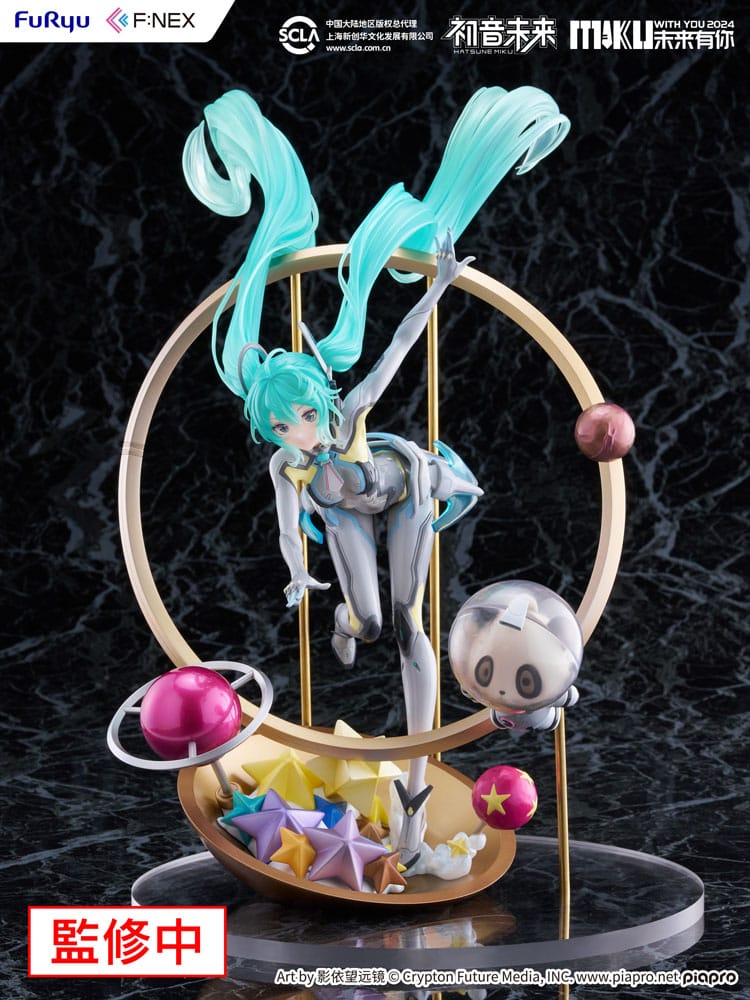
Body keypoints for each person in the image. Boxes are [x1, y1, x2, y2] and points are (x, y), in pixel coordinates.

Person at [183, 86, 569, 864]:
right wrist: (298, 575)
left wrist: (440, 284)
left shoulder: (352, 410)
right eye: (283, 425)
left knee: (407, 623)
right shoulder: (287, 463)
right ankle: (343, 622)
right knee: (362, 619)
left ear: (321, 399)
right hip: (347, 519)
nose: (301, 430)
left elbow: (396, 347)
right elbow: (288, 529)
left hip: (405, 495)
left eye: (304, 414)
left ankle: (417, 789)